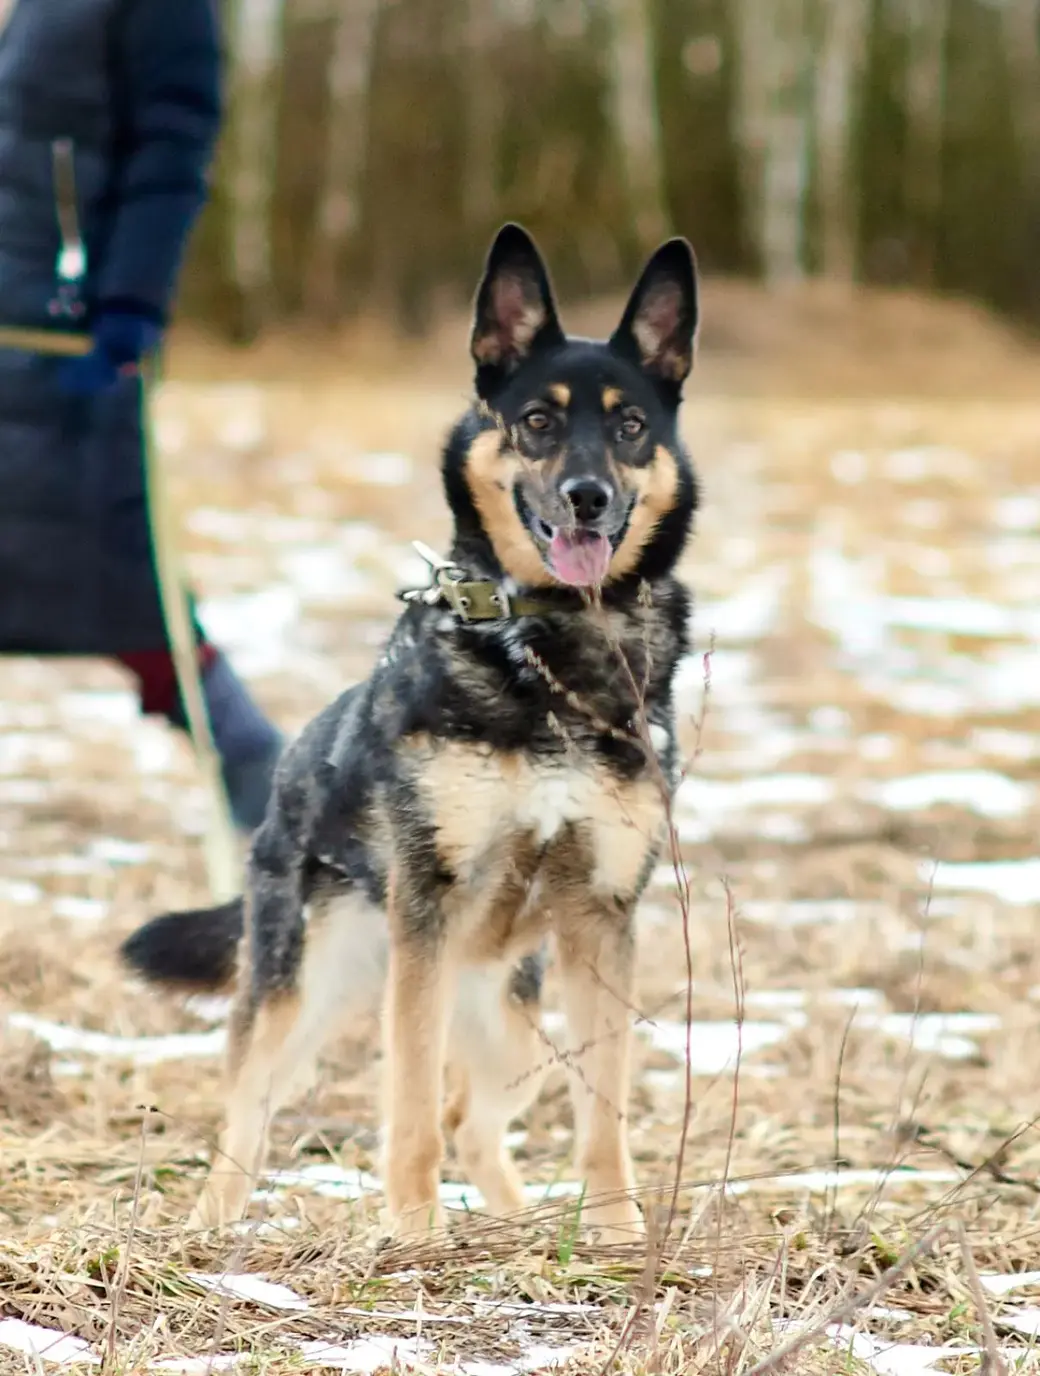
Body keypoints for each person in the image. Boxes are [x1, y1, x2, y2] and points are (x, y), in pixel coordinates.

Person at [0, 0, 283, 832]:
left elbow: (173, 145)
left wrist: (128, 306)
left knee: (119, 576)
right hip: (13, 320)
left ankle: (258, 767)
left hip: (64, 339)